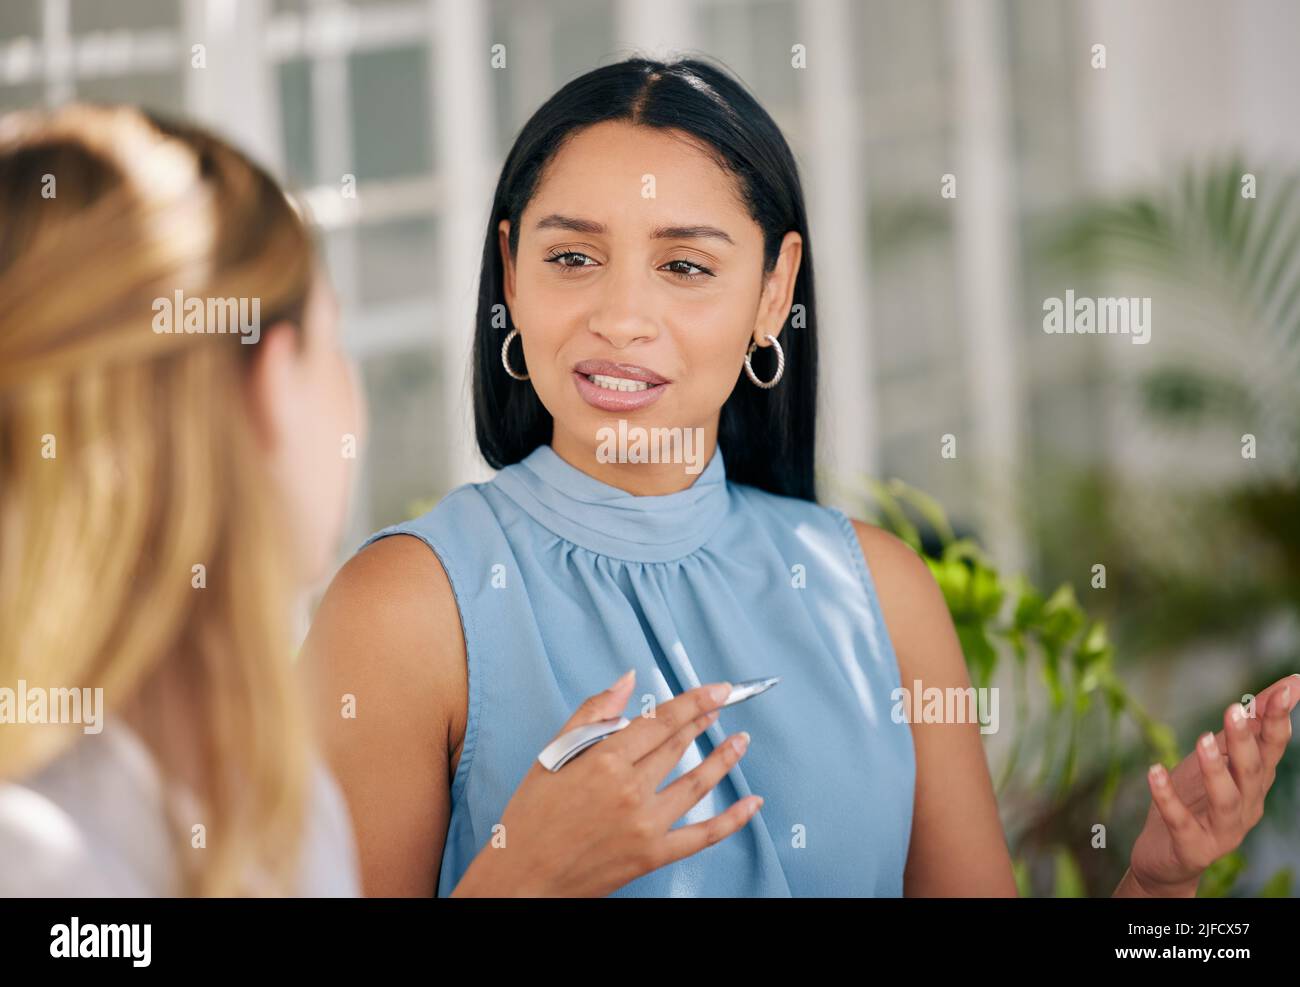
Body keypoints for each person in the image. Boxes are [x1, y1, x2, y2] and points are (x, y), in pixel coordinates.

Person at [303, 56, 1300, 897]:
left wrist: (1158, 888)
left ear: (772, 292)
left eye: (685, 267)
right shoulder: (405, 611)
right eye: (572, 258)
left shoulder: (880, 593)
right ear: (511, 271)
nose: (619, 317)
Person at [0, 104, 753, 896]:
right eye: (335, 341)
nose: (624, 319)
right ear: (267, 392)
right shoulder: (45, 852)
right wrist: (523, 878)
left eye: (685, 265)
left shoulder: (251, 799)